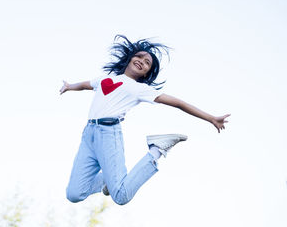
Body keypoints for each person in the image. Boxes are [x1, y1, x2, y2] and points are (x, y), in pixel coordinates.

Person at [59, 35, 230, 205]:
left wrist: (211, 118)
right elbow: (85, 85)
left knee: (121, 195)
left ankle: (156, 150)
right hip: (88, 134)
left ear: (147, 72)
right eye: (139, 56)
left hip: (108, 133)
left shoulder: (139, 89)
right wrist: (69, 86)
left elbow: (177, 103)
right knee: (74, 194)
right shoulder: (104, 79)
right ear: (130, 58)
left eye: (147, 63)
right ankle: (107, 180)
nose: (142, 61)